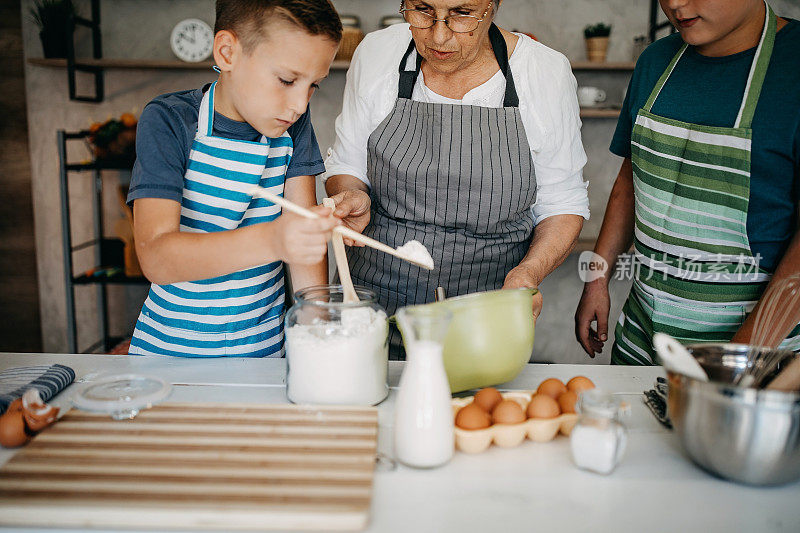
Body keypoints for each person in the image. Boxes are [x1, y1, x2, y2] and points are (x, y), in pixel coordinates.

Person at [324, 0, 589, 355]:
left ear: (494, 6)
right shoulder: (378, 52)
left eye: (462, 14)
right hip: (369, 308)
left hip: (483, 318)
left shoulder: (543, 71)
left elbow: (562, 204)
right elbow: (348, 164)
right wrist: (353, 195)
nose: (439, 34)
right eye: (421, 10)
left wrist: (527, 274)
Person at [575, 0, 800, 364]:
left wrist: (734, 364)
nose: (676, 4)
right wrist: (598, 277)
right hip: (644, 341)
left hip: (756, 360)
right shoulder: (655, 62)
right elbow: (632, 180)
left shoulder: (793, 68)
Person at [126, 0, 342, 357]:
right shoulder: (169, 120)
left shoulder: (294, 126)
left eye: (313, 86)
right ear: (227, 52)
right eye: (287, 80)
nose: (300, 104)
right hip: (169, 355)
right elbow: (156, 257)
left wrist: (316, 331)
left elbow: (303, 242)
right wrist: (274, 240)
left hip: (266, 354)